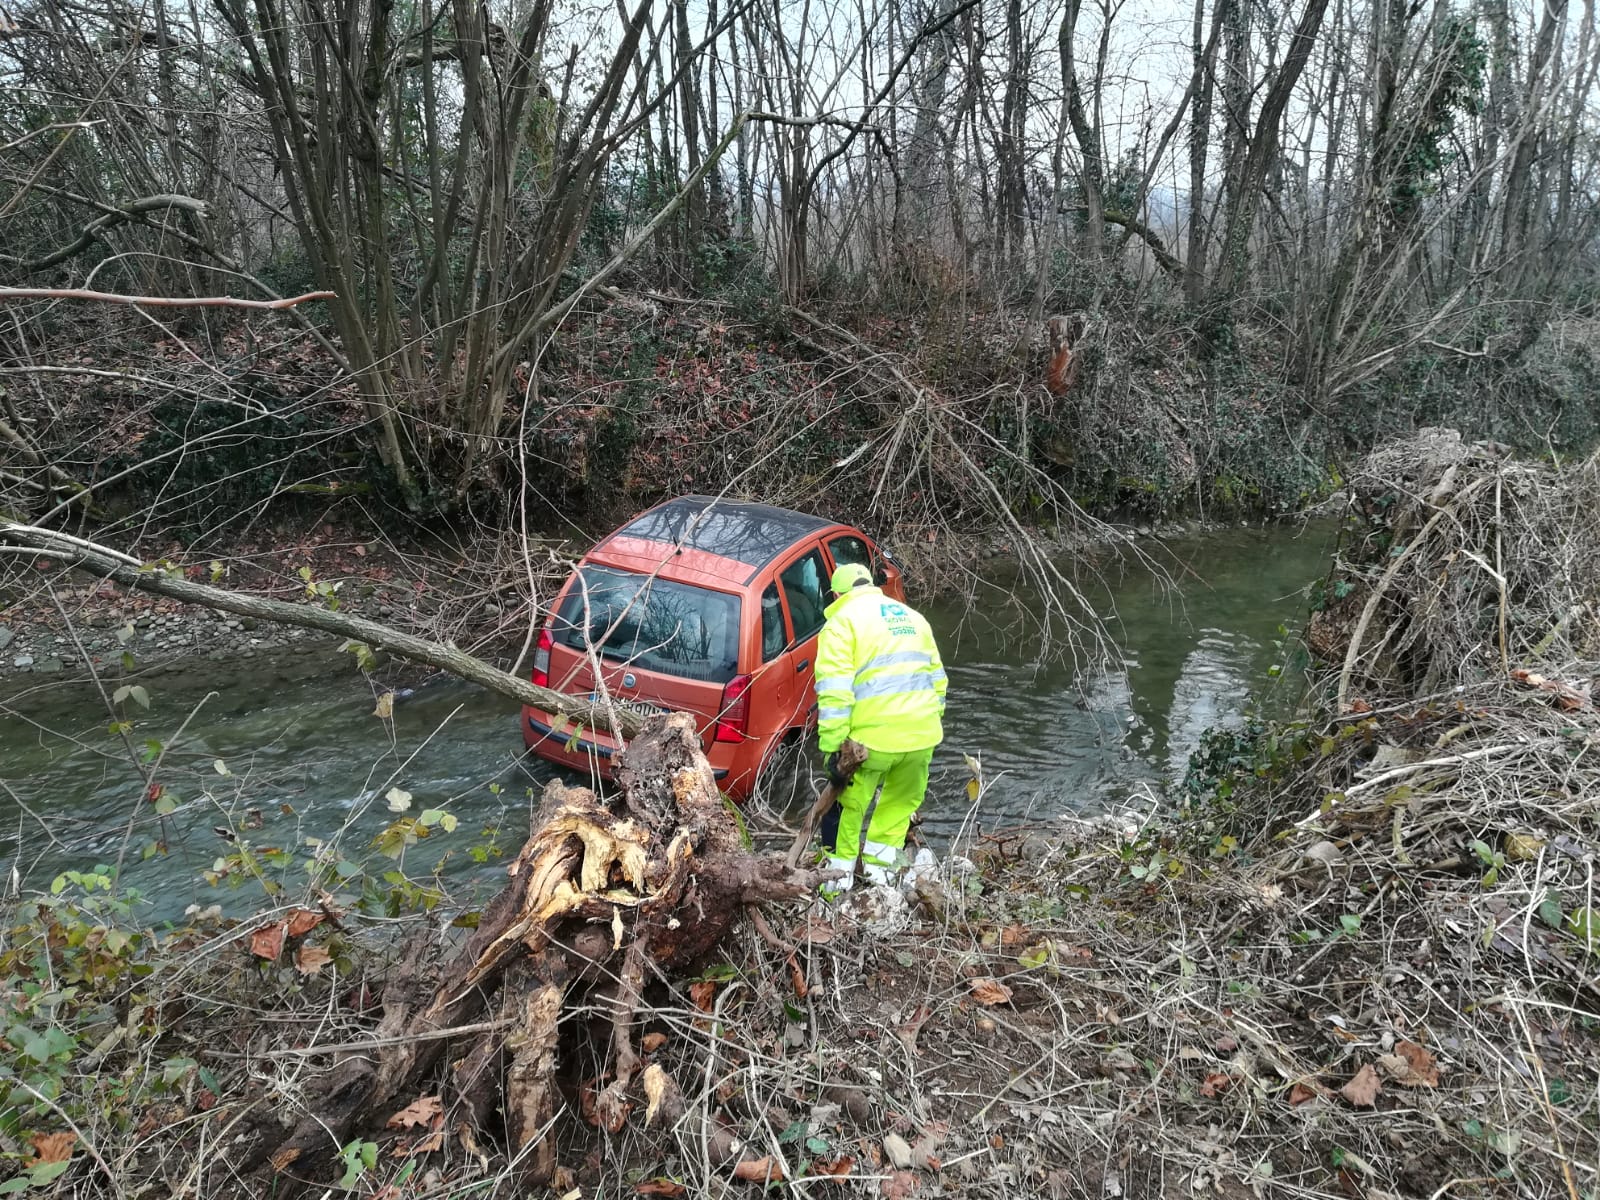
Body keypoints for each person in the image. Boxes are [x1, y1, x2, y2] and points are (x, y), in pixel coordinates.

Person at [814, 561, 947, 889]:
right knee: (899, 808)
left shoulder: (841, 624)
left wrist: (833, 750)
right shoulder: (913, 618)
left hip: (870, 743)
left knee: (847, 811)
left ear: (835, 594)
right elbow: (939, 683)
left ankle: (836, 888)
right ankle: (879, 882)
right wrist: (924, 723)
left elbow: (834, 695)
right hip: (922, 737)